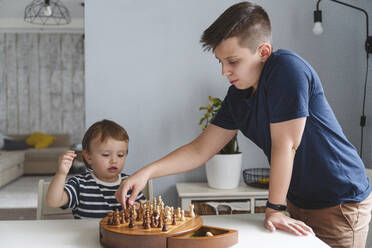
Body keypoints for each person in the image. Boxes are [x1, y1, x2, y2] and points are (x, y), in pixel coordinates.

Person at [115, 2, 372, 247]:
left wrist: (274, 209)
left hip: (339, 201)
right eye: (221, 62)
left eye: (233, 61)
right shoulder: (238, 95)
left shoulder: (286, 69)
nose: (224, 71)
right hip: (297, 200)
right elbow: (200, 150)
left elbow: (286, 145)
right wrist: (147, 172)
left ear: (263, 52)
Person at [46, 119, 146, 219]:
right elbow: (53, 201)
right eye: (106, 155)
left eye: (120, 155)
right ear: (89, 157)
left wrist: (138, 209)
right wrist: (61, 174)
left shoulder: (130, 183)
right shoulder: (79, 184)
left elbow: (146, 211)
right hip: (87, 234)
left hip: (120, 235)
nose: (114, 160)